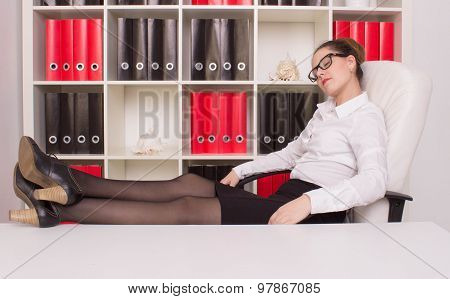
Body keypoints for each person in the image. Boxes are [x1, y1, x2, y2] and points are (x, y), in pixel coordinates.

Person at [9, 38, 388, 228]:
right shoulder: (325, 114)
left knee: (187, 208)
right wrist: (242, 170)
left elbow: (374, 181)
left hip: (315, 212)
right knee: (189, 180)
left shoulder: (365, 117)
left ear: (351, 62)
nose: (319, 73)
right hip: (292, 195)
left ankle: (58, 205)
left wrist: (309, 204)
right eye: (315, 69)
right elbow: (290, 155)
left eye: (326, 63)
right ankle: (67, 182)